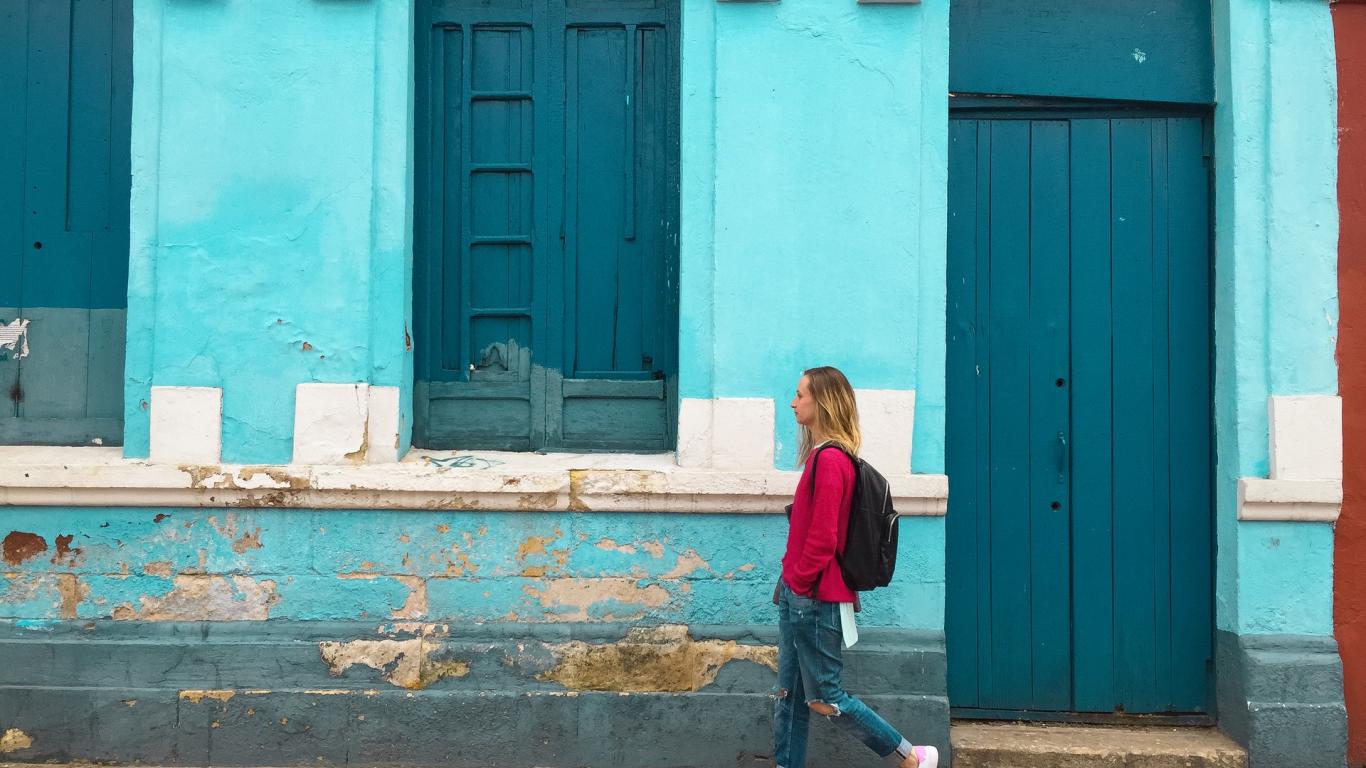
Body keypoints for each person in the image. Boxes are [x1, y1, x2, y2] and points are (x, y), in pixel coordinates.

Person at [773, 366, 940, 768]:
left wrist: (799, 583)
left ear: (822, 402)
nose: (793, 403)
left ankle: (910, 755)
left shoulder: (830, 460)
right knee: (790, 697)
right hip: (801, 592)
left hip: (813, 597)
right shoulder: (824, 457)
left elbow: (823, 539)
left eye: (800, 395)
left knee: (826, 698)